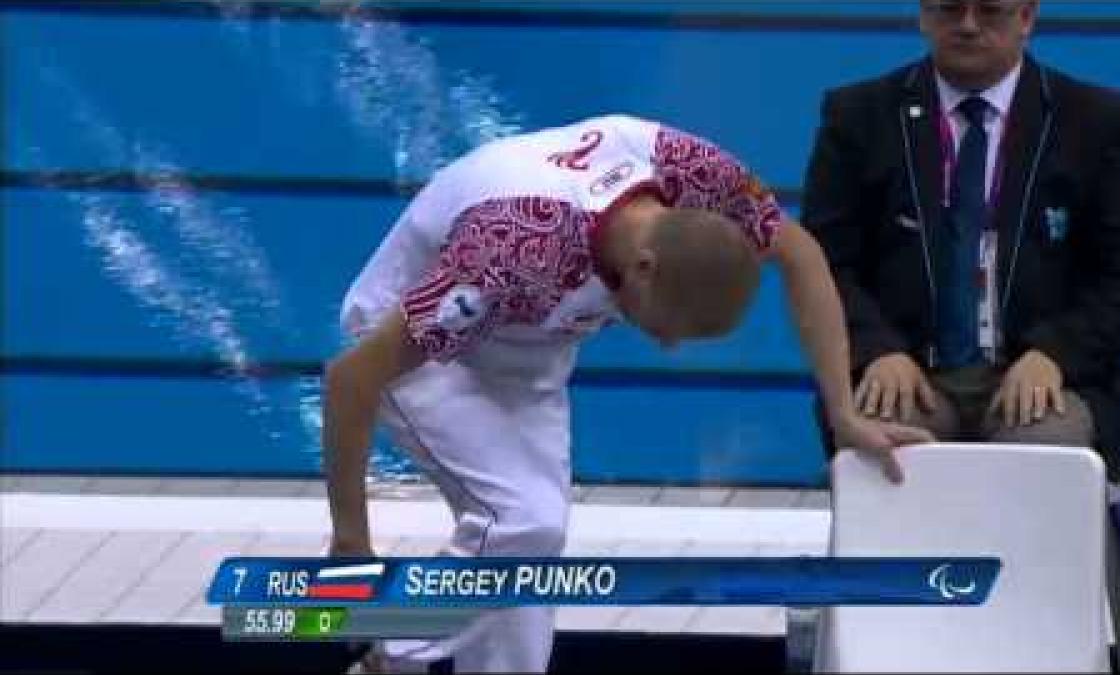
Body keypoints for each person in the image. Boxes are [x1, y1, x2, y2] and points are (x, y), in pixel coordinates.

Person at [322, 114, 931, 673]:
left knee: (535, 549)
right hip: (416, 340)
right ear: (643, 269)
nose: (667, 348)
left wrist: (845, 412)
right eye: (666, 327)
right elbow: (352, 379)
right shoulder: (517, 245)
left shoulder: (698, 175)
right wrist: (351, 537)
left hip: (529, 344)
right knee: (521, 523)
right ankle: (381, 640)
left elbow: (802, 257)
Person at [801, 0, 1120, 481]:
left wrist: (1056, 353)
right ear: (923, 15)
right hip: (907, 368)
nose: (968, 26)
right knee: (886, 437)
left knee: (1044, 446)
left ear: (1027, 17)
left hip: (1046, 377)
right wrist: (875, 349)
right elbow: (823, 265)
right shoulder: (858, 118)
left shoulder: (1098, 123)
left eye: (990, 11)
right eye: (949, 9)